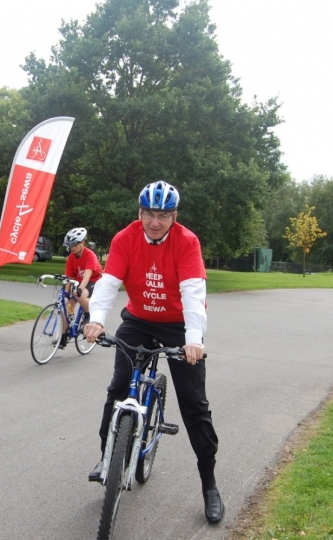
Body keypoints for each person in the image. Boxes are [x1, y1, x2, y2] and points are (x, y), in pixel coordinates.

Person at [82, 180, 224, 525]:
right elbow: (108, 284)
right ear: (140, 213)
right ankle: (106, 459)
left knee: (194, 407)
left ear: (174, 216)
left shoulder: (187, 242)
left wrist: (194, 340)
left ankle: (209, 484)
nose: (155, 221)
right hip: (139, 321)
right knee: (118, 389)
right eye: (149, 213)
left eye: (163, 215)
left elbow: (193, 295)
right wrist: (96, 320)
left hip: (178, 325)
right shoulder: (124, 239)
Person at [54, 227, 103, 349]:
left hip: (93, 280)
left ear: (83, 243)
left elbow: (87, 275)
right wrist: (66, 292)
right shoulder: (71, 257)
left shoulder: (89, 255)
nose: (73, 248)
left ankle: (88, 314)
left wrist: (79, 289)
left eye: (75, 245)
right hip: (77, 281)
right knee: (67, 307)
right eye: (70, 246)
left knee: (80, 295)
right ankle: (63, 337)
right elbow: (69, 277)